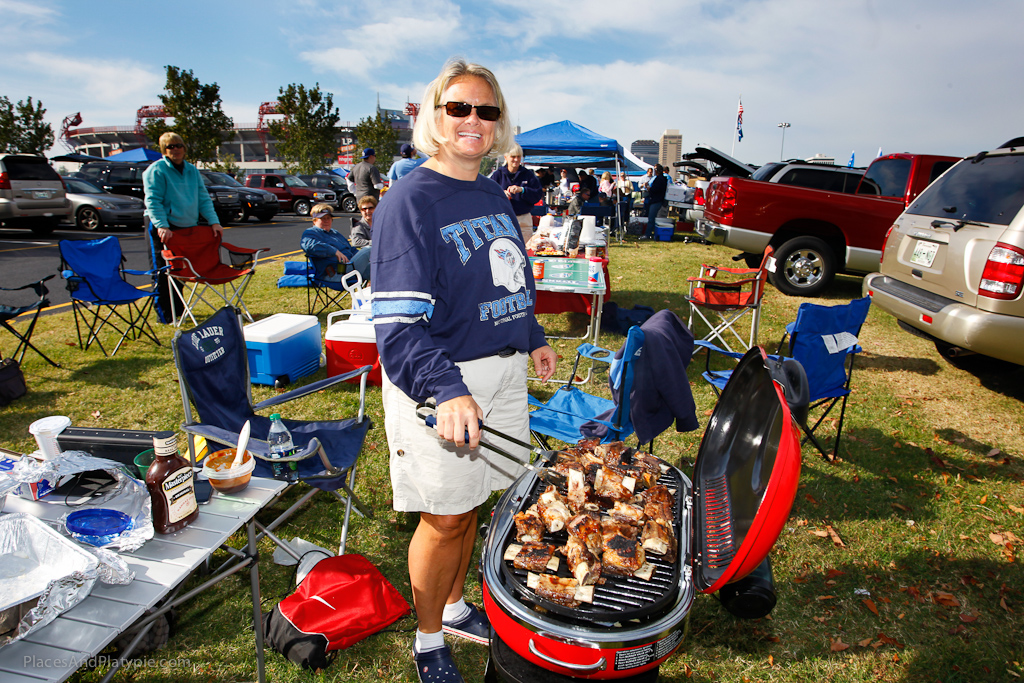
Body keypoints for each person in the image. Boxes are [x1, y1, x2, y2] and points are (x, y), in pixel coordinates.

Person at [370, 58, 557, 683]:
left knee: (475, 500)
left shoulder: (486, 190)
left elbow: (501, 271)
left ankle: (452, 607)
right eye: (459, 108)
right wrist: (447, 390)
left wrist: (529, 335)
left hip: (503, 375)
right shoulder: (408, 200)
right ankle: (427, 640)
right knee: (443, 515)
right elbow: (397, 326)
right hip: (443, 382)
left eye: (487, 110)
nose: (474, 121)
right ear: (434, 116)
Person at [142, 131, 223, 324]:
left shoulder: (191, 170)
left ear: (184, 148)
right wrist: (162, 225)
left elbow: (203, 198)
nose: (175, 150)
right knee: (164, 271)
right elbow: (153, 200)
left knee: (182, 269)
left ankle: (178, 310)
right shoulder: (156, 170)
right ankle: (165, 314)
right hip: (164, 226)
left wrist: (214, 221)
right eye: (170, 146)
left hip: (186, 225)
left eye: (178, 145)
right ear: (163, 150)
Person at [301, 204, 371, 282]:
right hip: (336, 273)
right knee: (368, 249)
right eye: (322, 218)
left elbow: (351, 249)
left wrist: (363, 258)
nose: (326, 221)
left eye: (328, 218)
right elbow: (309, 246)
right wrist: (334, 251)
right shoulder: (311, 233)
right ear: (314, 221)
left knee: (382, 268)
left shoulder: (334, 233)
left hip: (350, 267)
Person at [489, 142, 542, 245]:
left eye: (518, 157)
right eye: (513, 157)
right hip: (501, 219)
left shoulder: (528, 175)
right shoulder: (497, 175)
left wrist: (522, 190)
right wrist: (500, 194)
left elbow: (537, 194)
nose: (516, 160)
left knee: (525, 251)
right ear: (506, 157)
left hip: (523, 219)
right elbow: (487, 196)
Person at [644, 164, 668, 240]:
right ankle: (654, 233)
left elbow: (655, 190)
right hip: (660, 200)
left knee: (651, 218)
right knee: (655, 218)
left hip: (656, 200)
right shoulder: (664, 179)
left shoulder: (659, 179)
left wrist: (648, 188)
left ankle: (648, 234)